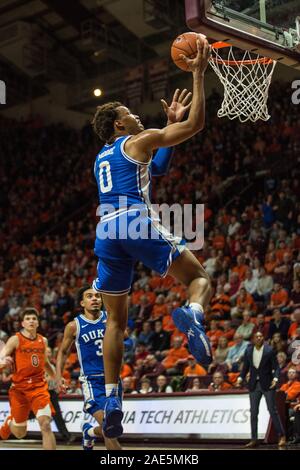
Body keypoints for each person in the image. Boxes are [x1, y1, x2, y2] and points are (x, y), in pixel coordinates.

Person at [91, 35, 212, 438]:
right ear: (118, 124)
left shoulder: (101, 158)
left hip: (106, 229)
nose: (138, 117)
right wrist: (198, 75)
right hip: (133, 220)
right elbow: (196, 126)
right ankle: (193, 314)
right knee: (199, 279)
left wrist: (170, 122)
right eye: (130, 114)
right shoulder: (137, 139)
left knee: (115, 322)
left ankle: (111, 397)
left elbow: (154, 171)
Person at [56, 285, 122, 450]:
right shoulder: (74, 325)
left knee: (112, 427)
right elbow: (63, 352)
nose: (95, 299)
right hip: (92, 381)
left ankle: (89, 431)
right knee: (110, 427)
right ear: (82, 303)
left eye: (98, 296)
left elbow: (125, 337)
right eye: (90, 296)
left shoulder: (110, 318)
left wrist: (115, 327)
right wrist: (58, 376)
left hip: (113, 380)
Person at [0, 308, 57, 450]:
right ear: (22, 323)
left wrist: (57, 377)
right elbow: (2, 357)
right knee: (20, 433)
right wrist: (3, 361)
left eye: (34, 319)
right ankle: (9, 423)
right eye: (28, 319)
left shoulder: (43, 340)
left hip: (39, 388)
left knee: (45, 424)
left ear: (38, 323)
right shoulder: (15, 339)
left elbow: (45, 363)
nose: (31, 321)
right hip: (19, 389)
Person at [236, 332, 286, 448]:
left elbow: (276, 368)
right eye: (257, 336)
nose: (259, 338)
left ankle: (282, 435)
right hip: (254, 384)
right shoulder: (248, 351)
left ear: (263, 338)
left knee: (272, 410)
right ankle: (254, 439)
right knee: (253, 412)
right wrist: (240, 378)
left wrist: (276, 378)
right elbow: (245, 368)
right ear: (253, 339)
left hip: (268, 384)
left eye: (261, 336)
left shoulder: (269, 350)